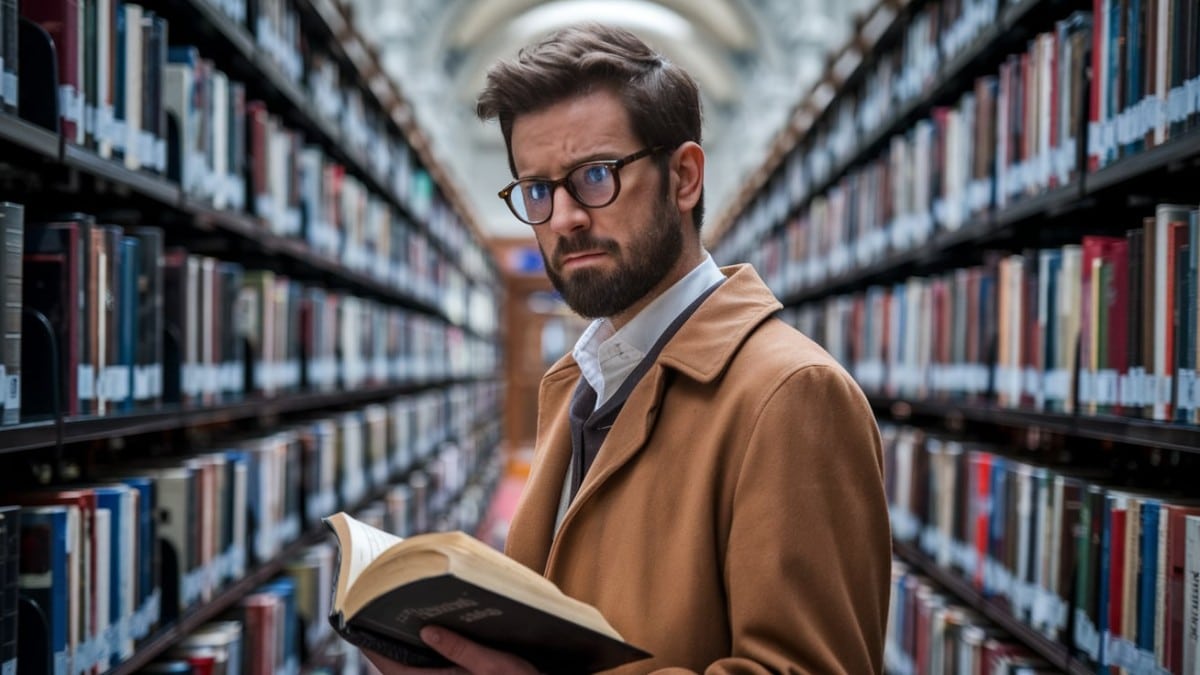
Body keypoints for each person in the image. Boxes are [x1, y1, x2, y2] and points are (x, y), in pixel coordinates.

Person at [365, 22, 892, 675]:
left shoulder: (792, 394)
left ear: (685, 177)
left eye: (595, 175)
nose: (563, 218)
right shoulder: (576, 384)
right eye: (537, 189)